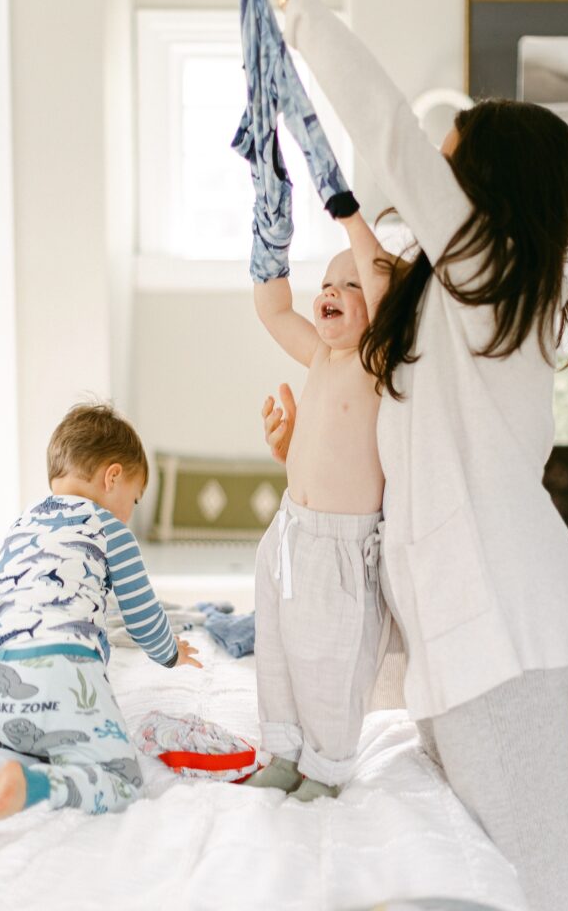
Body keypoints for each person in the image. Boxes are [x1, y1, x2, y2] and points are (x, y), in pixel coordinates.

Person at [244, 0, 568, 909]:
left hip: (495, 633)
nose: (425, 179)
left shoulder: (487, 273)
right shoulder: (458, 307)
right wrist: (300, 453)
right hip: (468, 636)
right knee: (478, 868)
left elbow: (383, 124)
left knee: (531, 870)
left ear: (487, 196)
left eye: (448, 169)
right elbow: (403, 462)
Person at [0, 402, 201, 826]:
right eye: (134, 500)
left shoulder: (20, 525)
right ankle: (35, 785)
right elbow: (143, 615)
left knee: (41, 721)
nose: (130, 512)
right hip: (62, 676)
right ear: (113, 476)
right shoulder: (110, 529)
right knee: (123, 780)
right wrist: (170, 653)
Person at [244, 244, 388, 802]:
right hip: (288, 533)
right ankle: (283, 749)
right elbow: (274, 310)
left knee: (329, 658)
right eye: (327, 282)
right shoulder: (322, 357)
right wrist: (268, 236)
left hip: (340, 551)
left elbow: (387, 294)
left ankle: (326, 767)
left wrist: (353, 220)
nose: (331, 292)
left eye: (352, 286)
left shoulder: (378, 360)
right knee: (276, 649)